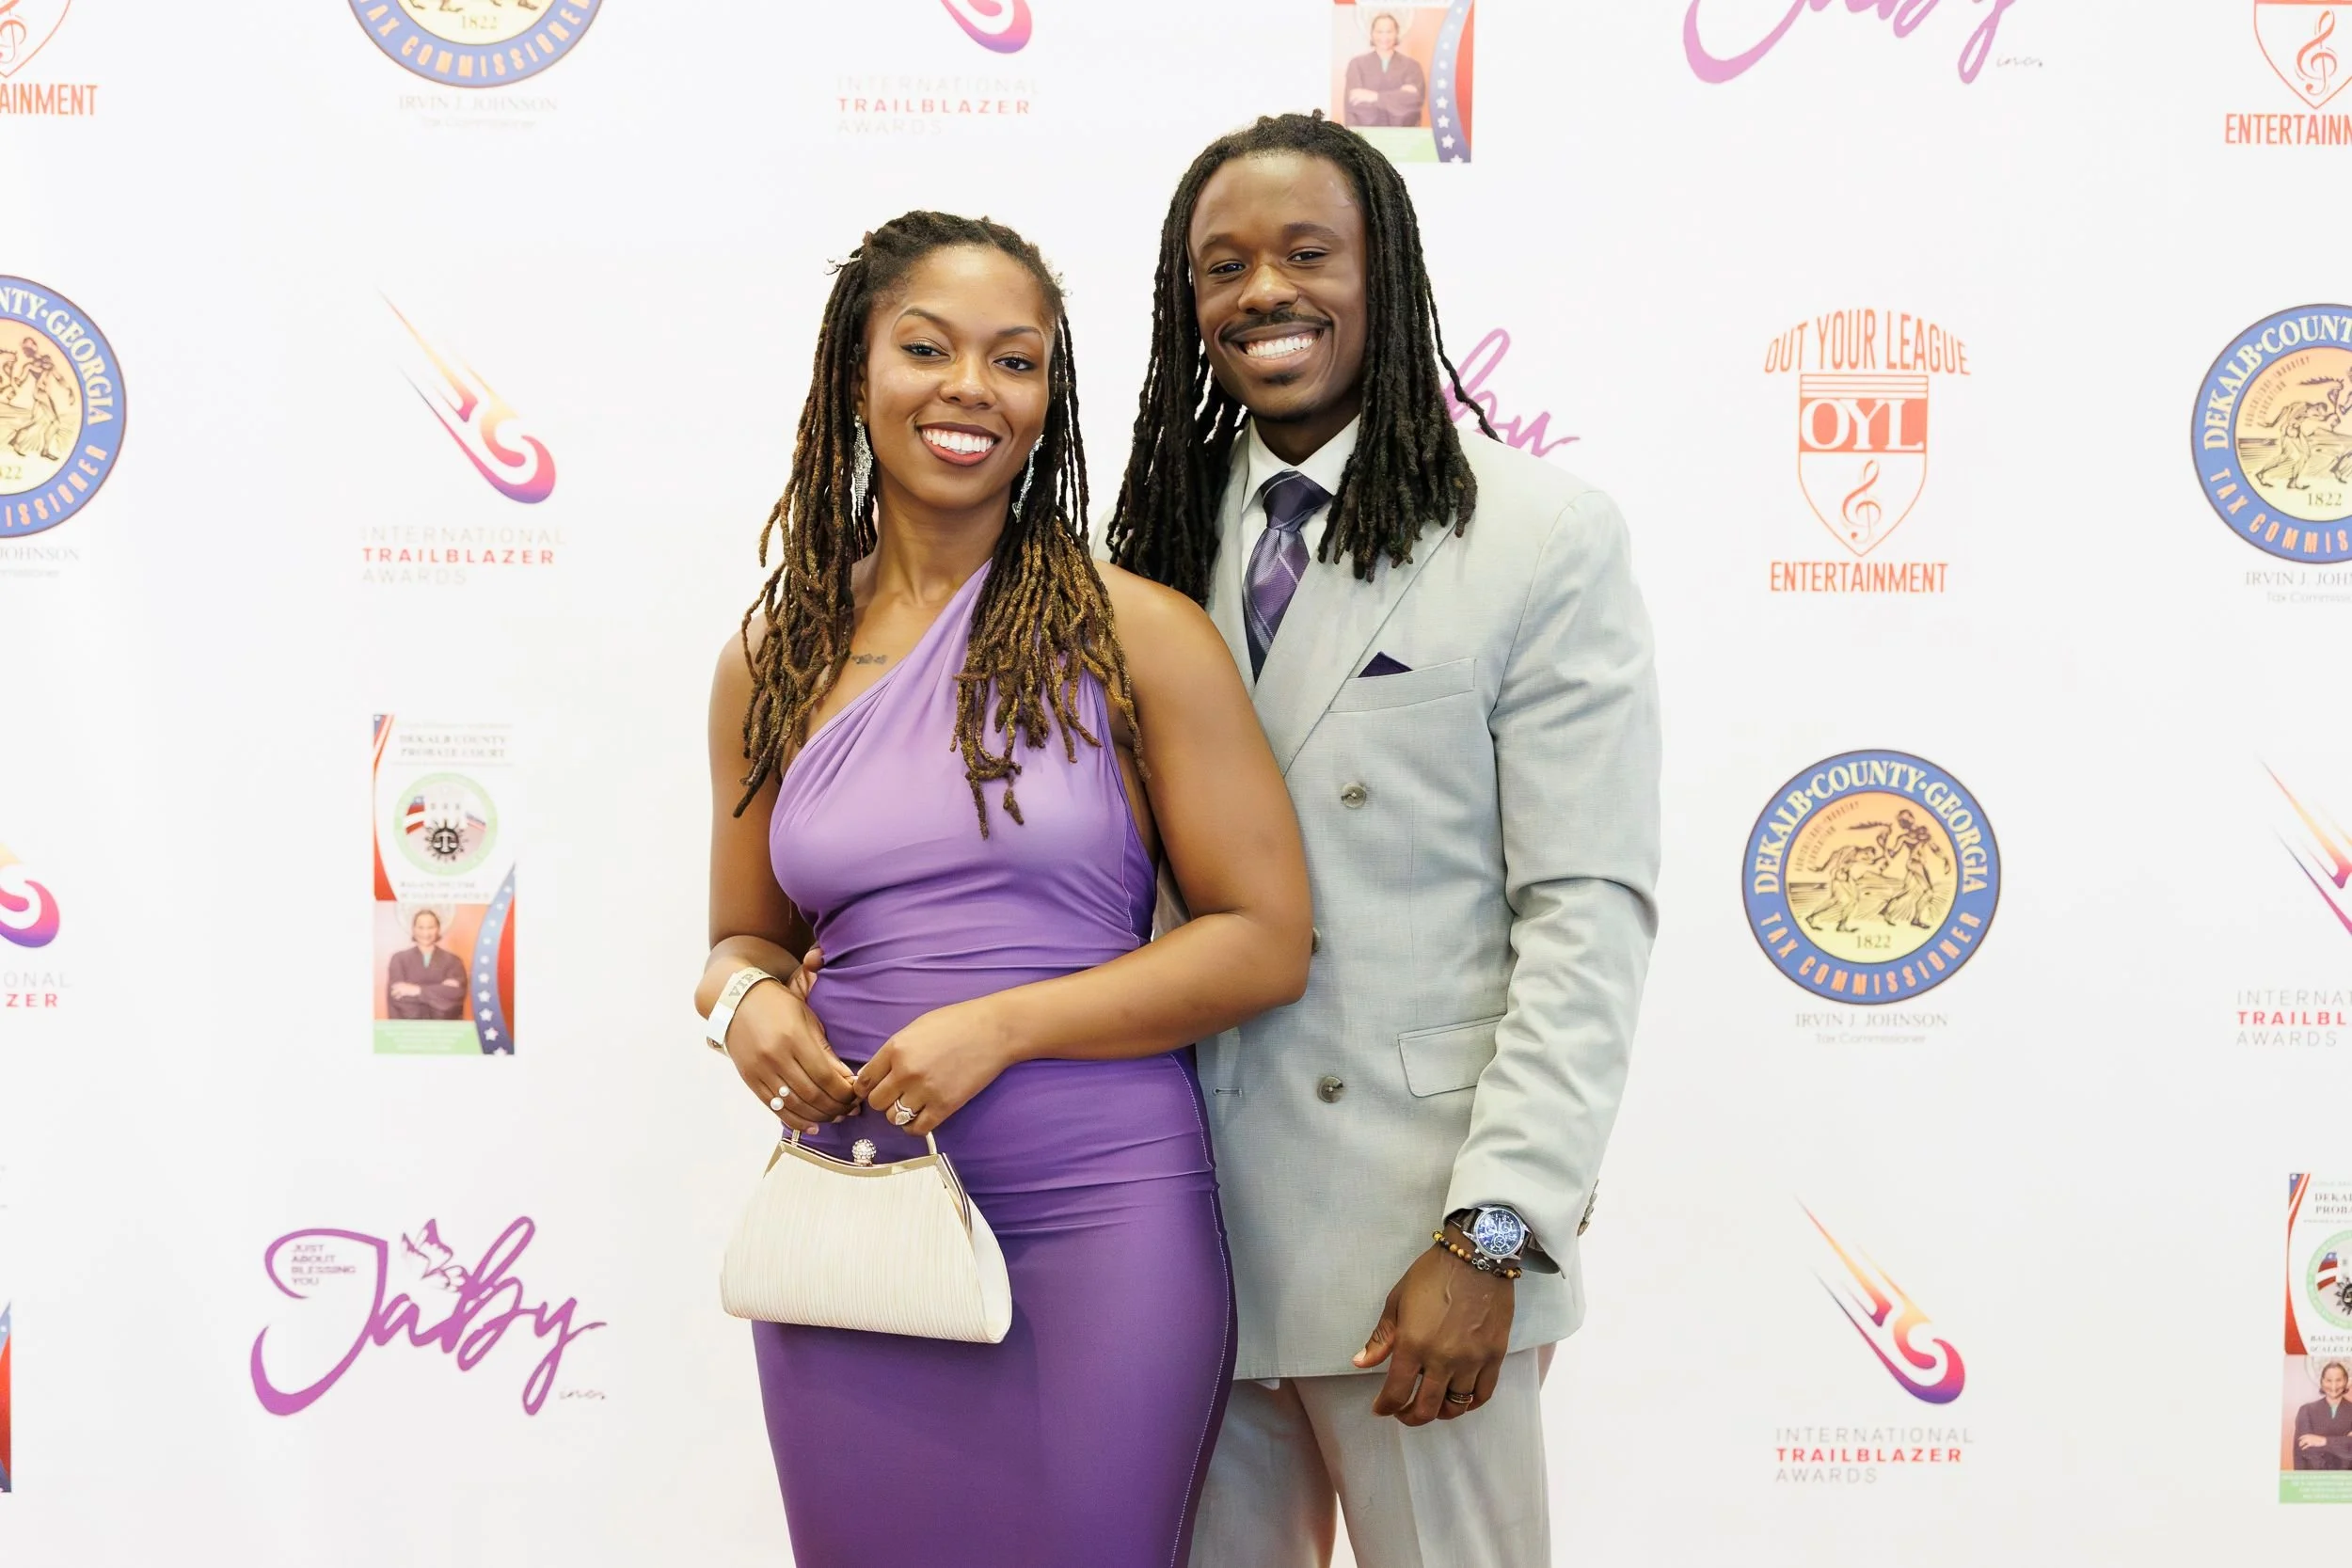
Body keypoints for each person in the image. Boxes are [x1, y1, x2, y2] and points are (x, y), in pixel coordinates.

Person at [696, 211, 1312, 1568]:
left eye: (1016, 359)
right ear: (855, 372)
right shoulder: (774, 654)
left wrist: (1007, 1023)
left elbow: (1265, 941)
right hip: (857, 1210)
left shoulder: (1138, 632)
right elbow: (744, 931)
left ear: (1050, 399)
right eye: (928, 347)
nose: (970, 386)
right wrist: (738, 997)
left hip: (1102, 1219)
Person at [1109, 111, 1661, 1568]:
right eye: (1221, 266)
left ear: (1387, 274)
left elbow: (1585, 906)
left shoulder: (1538, 533)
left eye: (1306, 252)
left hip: (1415, 1243)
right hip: (1179, 1249)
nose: (1262, 292)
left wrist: (1496, 1233)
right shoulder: (1148, 543)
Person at [1342, 12, 1425, 128]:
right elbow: (1356, 106)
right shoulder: (1357, 65)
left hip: (1404, 136)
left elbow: (1414, 103)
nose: (1384, 37)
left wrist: (1375, 97)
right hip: (1365, 136)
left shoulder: (1412, 66)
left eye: (1389, 31)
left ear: (1396, 33)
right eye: (1379, 31)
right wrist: (1398, 99)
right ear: (1372, 34)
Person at [386, 909, 466, 1021]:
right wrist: (440, 992)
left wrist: (417, 990)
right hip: (408, 1030)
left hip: (445, 1031)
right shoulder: (399, 959)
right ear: (413, 929)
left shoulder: (453, 961)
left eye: (431, 927)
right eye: (420, 927)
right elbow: (398, 997)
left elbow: (455, 996)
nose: (426, 933)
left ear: (438, 929)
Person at [2297, 1362, 2352, 1469]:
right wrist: (2344, 1442)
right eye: (2329, 1380)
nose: (2334, 1386)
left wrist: (2323, 1441)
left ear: (2346, 1381)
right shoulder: (2306, 1411)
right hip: (2315, 1480)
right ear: (2322, 1381)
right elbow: (2304, 1452)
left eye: (2339, 1380)